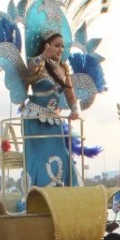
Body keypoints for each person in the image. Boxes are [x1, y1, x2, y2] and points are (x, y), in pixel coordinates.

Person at [21, 32, 81, 188]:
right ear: (47, 46)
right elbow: (30, 69)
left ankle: (62, 191)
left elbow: (70, 94)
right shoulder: (38, 62)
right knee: (39, 158)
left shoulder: (63, 68)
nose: (60, 49)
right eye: (56, 45)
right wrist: (43, 56)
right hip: (35, 119)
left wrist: (74, 110)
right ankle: (36, 192)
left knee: (60, 154)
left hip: (53, 120)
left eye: (62, 46)